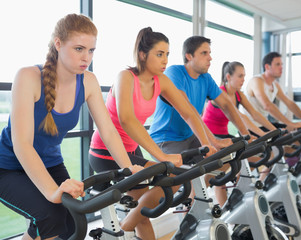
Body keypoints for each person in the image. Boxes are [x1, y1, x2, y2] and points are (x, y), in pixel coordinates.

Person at [0, 14, 142, 240]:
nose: (87, 57)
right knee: (49, 216)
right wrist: (51, 192)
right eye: (79, 49)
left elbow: (107, 130)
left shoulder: (88, 81)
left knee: (72, 224)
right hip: (9, 167)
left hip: (51, 162)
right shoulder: (28, 77)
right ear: (58, 44)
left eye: (91, 50)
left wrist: (128, 167)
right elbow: (22, 144)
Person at [89, 27, 220, 240]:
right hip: (106, 152)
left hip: (131, 150)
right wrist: (161, 156)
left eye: (167, 54)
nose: (165, 60)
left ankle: (125, 225)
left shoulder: (161, 80)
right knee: (176, 175)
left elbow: (189, 113)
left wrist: (207, 144)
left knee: (142, 212)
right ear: (142, 54)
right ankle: (123, 226)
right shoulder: (126, 77)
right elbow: (127, 119)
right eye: (159, 54)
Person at [149, 36, 253, 207]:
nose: (210, 57)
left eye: (210, 53)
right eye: (204, 53)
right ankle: (189, 209)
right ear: (189, 56)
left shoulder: (205, 78)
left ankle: (206, 204)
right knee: (186, 178)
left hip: (190, 138)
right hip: (166, 140)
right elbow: (188, 110)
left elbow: (227, 104)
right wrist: (211, 141)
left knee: (228, 160)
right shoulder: (174, 73)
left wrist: (246, 135)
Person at [202, 61, 277, 139]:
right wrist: (262, 133)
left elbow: (255, 114)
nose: (243, 80)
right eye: (240, 76)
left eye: (244, 76)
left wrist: (275, 131)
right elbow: (240, 117)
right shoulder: (221, 93)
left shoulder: (238, 94)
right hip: (209, 135)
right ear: (228, 77)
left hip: (224, 135)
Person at [242, 52, 301, 131]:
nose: (281, 67)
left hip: (264, 124)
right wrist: (290, 123)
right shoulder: (257, 81)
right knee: (288, 133)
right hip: (250, 127)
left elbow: (290, 103)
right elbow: (267, 105)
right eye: (277, 64)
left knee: (295, 135)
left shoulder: (275, 85)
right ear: (267, 67)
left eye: (282, 64)